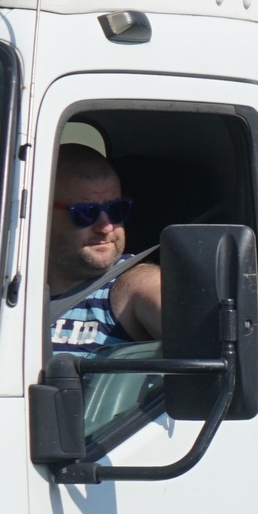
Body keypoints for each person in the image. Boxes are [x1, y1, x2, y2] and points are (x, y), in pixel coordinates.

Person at [46, 145, 161, 357]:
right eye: (86, 213)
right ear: (42, 214)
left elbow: (200, 336)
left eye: (116, 210)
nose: (106, 227)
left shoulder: (134, 285)